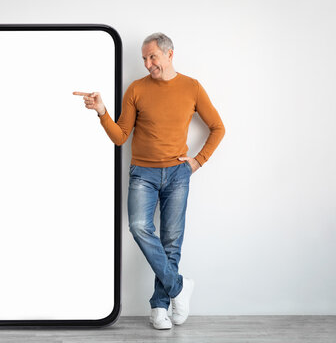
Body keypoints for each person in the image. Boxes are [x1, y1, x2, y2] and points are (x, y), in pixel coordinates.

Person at [73, 32, 225, 330]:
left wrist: (197, 160)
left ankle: (159, 306)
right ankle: (179, 287)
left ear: (170, 54)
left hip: (179, 173)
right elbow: (120, 137)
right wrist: (102, 111)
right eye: (144, 58)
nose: (147, 63)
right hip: (143, 172)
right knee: (139, 227)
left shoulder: (191, 87)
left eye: (152, 56)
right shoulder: (136, 89)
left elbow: (218, 127)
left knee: (171, 241)